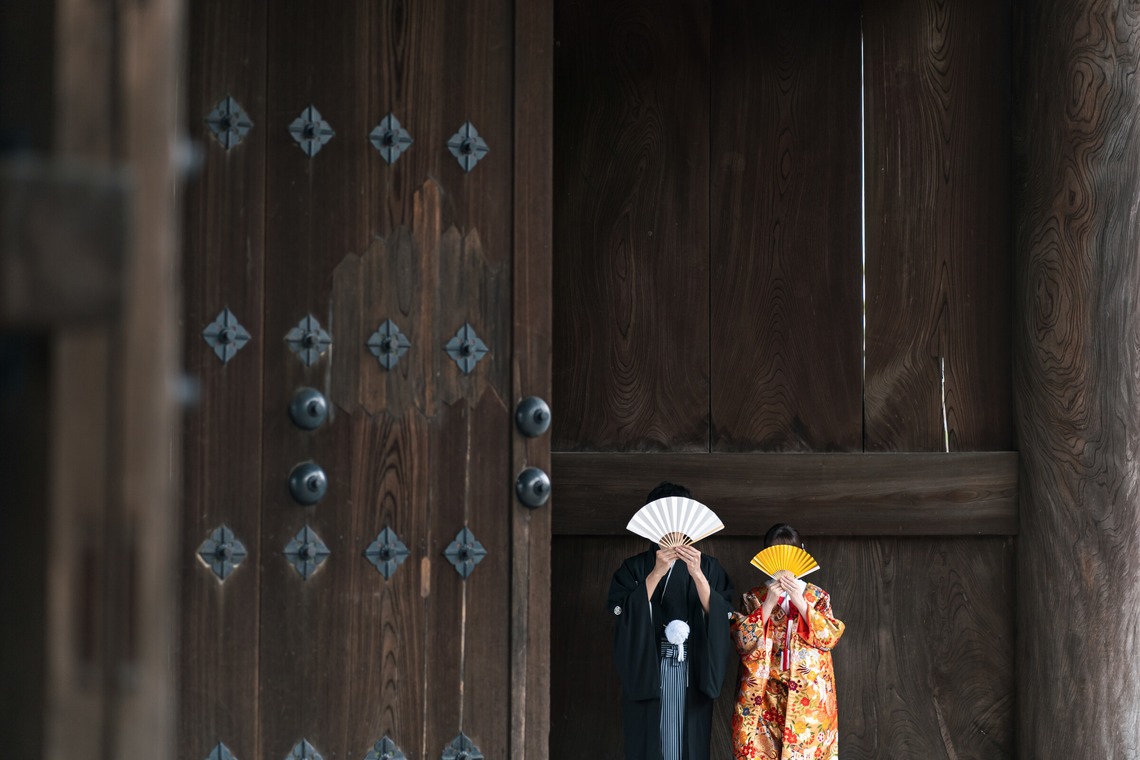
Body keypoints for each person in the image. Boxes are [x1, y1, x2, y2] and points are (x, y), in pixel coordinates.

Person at [607, 482, 735, 760]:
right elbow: (622, 611)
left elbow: (723, 612)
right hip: (649, 667)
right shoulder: (635, 567)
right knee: (651, 740)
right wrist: (655, 573)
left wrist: (698, 575)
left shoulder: (709, 567)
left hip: (694, 668)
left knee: (689, 739)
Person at [730, 524, 844, 760]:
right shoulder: (754, 597)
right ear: (766, 556)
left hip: (808, 692)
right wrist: (768, 604)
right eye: (775, 552)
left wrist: (801, 603)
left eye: (790, 552)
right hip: (764, 690)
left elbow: (829, 637)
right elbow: (742, 642)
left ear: (800, 552)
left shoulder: (817, 597)